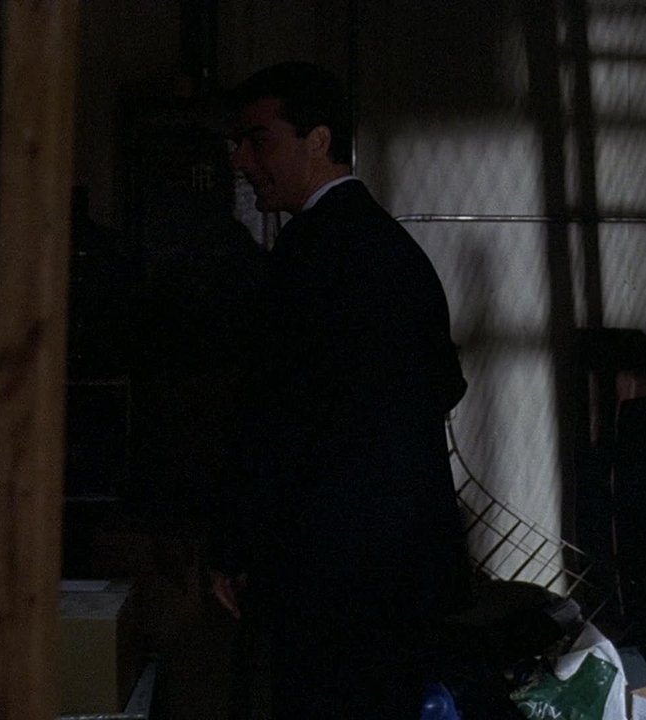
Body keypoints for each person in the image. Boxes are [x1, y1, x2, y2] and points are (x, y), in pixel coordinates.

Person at [209, 61, 473, 718]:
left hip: (327, 569)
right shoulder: (394, 248)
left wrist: (234, 544)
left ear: (318, 140)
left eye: (258, 141)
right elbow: (443, 383)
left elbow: (271, 419)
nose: (241, 161)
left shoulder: (306, 258)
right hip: (405, 559)